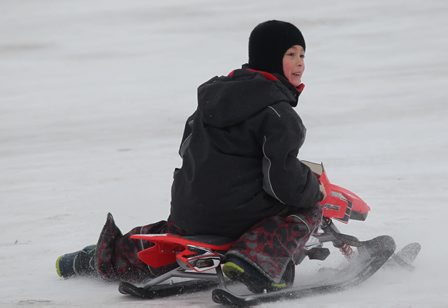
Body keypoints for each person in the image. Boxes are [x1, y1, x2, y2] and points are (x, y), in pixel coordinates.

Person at [56, 20, 324, 293]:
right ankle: (256, 262)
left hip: (188, 211)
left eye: (302, 55)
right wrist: (314, 187)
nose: (300, 63)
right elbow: (282, 182)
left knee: (169, 237)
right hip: (237, 217)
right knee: (309, 207)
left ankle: (97, 258)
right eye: (290, 54)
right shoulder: (279, 114)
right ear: (269, 57)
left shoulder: (212, 99)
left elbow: (187, 149)